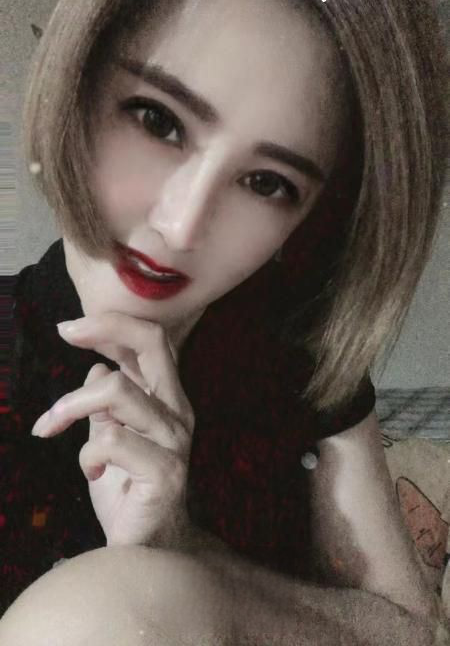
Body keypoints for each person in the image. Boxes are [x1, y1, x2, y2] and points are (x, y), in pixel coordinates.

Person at [0, 0, 449, 643]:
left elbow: (408, 630)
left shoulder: (297, 351)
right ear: (74, 88)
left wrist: (185, 551)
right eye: (157, 120)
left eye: (267, 183)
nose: (181, 227)